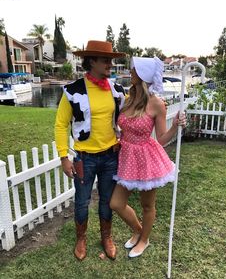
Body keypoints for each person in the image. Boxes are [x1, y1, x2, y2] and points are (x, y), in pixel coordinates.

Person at [54, 40, 126, 260]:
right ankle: (81, 238)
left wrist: (157, 105)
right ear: (91, 61)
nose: (110, 65)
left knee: (106, 200)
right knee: (82, 201)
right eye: (106, 60)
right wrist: (64, 157)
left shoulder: (117, 90)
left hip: (111, 156)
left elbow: (133, 112)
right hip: (84, 159)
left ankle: (106, 237)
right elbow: (60, 124)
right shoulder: (73, 91)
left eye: (111, 60)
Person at [110, 56, 186, 258]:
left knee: (147, 205)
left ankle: (144, 239)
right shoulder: (129, 98)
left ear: (143, 74)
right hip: (127, 157)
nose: (131, 72)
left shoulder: (157, 103)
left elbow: (161, 138)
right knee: (116, 203)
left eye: (135, 70)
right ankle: (138, 230)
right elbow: (123, 128)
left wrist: (176, 126)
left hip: (146, 159)